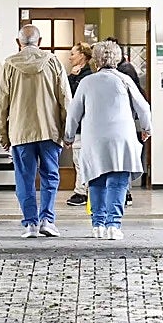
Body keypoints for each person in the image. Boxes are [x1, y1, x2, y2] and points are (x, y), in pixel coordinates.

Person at [64, 40, 151, 241]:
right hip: (121, 137)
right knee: (118, 183)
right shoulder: (124, 80)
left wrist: (68, 137)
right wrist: (147, 129)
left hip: (94, 138)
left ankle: (98, 226)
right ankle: (114, 226)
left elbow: (73, 113)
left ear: (95, 60)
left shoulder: (87, 82)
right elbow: (143, 107)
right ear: (117, 58)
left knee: (96, 181)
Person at [0, 24, 71, 238]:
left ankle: (30, 224)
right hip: (50, 130)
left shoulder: (9, 64)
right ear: (40, 41)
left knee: (24, 178)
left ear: (18, 42)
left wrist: (2, 135)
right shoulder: (53, 62)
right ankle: (47, 219)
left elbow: (1, 104)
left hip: (20, 132)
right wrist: (67, 131)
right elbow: (66, 98)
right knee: (50, 176)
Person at [104, 36, 143, 205]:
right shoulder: (122, 71)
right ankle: (121, 193)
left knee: (120, 159)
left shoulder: (124, 72)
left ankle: (125, 193)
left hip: (123, 120)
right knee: (119, 159)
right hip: (122, 120)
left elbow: (135, 100)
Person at [64, 43, 94, 207]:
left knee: (80, 159)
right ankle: (82, 190)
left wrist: (71, 78)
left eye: (73, 54)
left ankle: (81, 192)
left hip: (82, 125)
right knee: (79, 159)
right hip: (80, 125)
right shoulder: (79, 75)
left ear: (82, 55)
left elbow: (72, 97)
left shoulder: (86, 76)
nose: (70, 57)